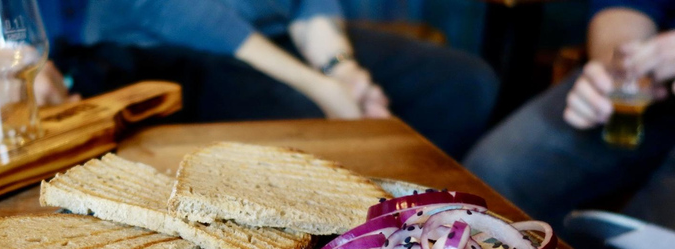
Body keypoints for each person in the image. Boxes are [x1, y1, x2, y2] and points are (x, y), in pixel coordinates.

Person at [42, 0, 499, 160]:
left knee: (462, 83)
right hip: (157, 45)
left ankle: (411, 227)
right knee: (305, 118)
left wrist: (342, 69)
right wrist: (321, 89)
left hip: (276, 33)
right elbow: (177, 11)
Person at [464, 0, 675, 231]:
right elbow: (627, 6)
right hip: (651, 87)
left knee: (639, 245)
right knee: (490, 176)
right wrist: (617, 66)